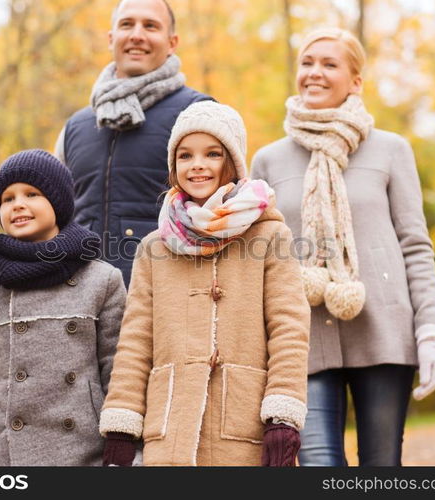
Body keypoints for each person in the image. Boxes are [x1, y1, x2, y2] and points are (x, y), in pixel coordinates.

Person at [251, 28, 435, 466]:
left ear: (356, 80)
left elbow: (415, 245)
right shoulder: (268, 160)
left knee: (380, 466)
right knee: (320, 463)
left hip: (383, 331)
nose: (314, 73)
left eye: (329, 64)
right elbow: (262, 260)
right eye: (307, 62)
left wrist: (430, 331)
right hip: (303, 338)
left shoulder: (391, 150)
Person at [97, 101, 310, 466]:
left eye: (212, 153)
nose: (197, 164)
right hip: (170, 430)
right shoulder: (154, 248)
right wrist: (121, 422)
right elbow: (135, 341)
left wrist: (283, 416)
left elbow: (289, 328)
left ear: (233, 163)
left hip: (244, 426)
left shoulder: (270, 235)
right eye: (185, 155)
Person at [0, 149, 126, 466]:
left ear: (57, 203)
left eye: (32, 193)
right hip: (6, 460)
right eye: (7, 198)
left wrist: (123, 453)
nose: (18, 204)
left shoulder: (102, 280)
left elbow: (119, 376)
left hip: (87, 454)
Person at [54, 0, 211, 288]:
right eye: (127, 24)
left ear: (172, 42)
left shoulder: (197, 113)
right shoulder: (75, 127)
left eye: (150, 26)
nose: (137, 34)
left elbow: (224, 213)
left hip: (166, 298)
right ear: (111, 38)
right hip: (82, 303)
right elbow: (55, 222)